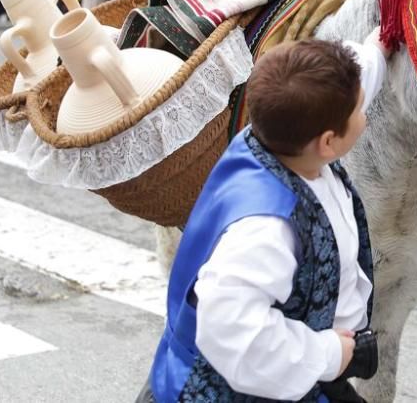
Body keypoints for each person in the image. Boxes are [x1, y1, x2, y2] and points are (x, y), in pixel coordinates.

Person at [139, 34, 389, 402]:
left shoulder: (282, 133)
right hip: (247, 388)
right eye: (360, 111)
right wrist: (329, 355)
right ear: (328, 142)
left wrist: (384, 39)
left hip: (298, 374)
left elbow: (349, 81)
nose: (364, 114)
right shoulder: (268, 227)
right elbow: (231, 328)